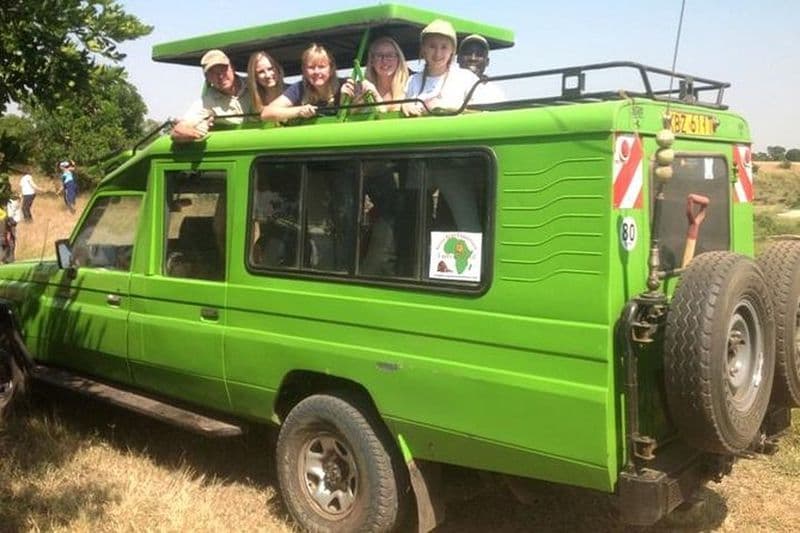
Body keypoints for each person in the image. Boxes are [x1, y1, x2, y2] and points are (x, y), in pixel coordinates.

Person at [403, 19, 480, 117]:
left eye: (444, 47)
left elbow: (480, 114)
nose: (437, 53)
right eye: (432, 46)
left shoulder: (467, 78)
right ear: (423, 48)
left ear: (452, 50)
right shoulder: (412, 81)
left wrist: (444, 108)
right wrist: (404, 105)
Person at [171, 49, 253, 142]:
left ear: (232, 68)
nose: (220, 76)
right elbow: (178, 131)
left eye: (223, 69)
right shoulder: (206, 101)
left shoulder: (256, 84)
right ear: (207, 78)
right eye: (213, 73)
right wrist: (196, 132)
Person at [261, 44, 342, 122]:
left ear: (331, 69)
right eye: (311, 67)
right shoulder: (299, 88)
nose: (316, 72)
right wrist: (299, 111)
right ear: (304, 71)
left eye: (321, 67)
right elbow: (266, 113)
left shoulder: (345, 85)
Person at [341, 36, 410, 112]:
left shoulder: (410, 86)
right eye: (379, 56)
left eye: (390, 55)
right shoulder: (361, 89)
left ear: (398, 59)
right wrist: (345, 101)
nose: (384, 61)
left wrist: (375, 95)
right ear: (372, 61)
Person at [457, 34, 504, 103]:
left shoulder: (496, 93)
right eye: (468, 53)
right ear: (458, 59)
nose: (473, 58)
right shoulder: (445, 85)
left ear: (487, 62)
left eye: (479, 54)